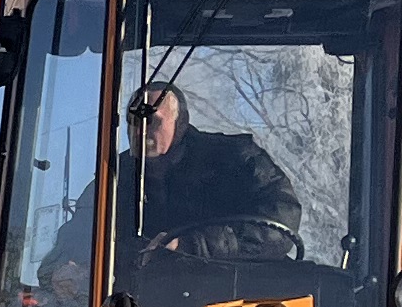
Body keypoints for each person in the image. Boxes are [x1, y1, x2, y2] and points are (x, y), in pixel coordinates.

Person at [120, 79, 311, 260]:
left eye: (151, 121)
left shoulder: (235, 160)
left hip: (233, 281)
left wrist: (194, 245)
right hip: (136, 284)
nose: (139, 131)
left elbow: (281, 225)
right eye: (133, 121)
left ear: (181, 123)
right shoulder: (114, 179)